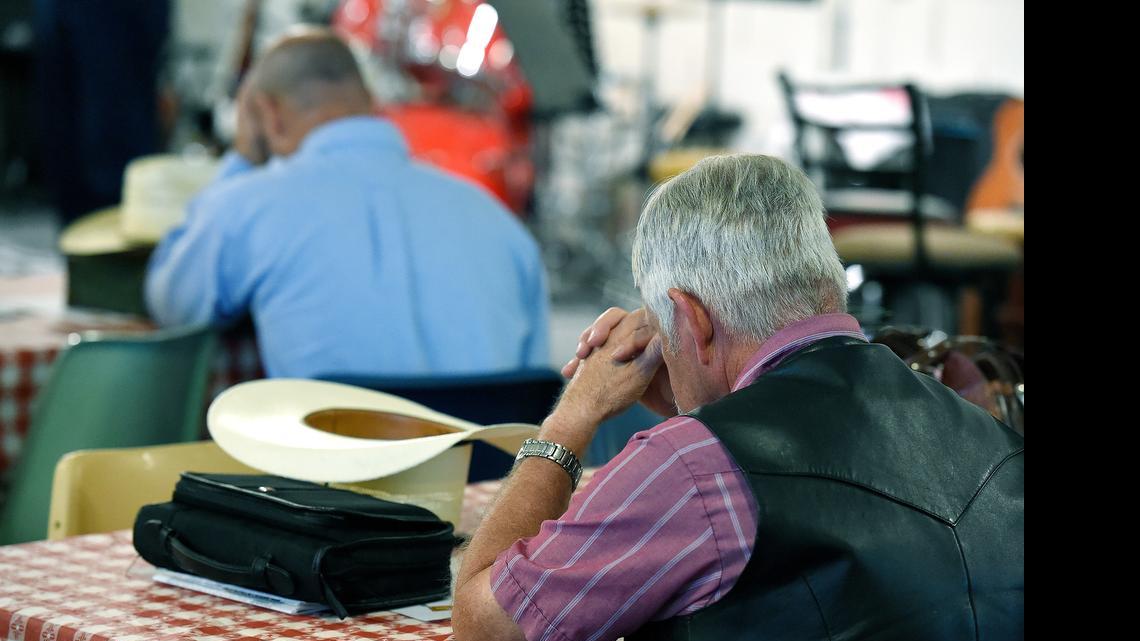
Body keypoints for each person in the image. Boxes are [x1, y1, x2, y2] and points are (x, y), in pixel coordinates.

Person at [452, 154, 1024, 641]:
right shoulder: (992, 439)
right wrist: (699, 406)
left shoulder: (693, 468)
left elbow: (482, 625)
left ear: (690, 318)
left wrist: (572, 416)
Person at [145, 28, 549, 378]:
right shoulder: (499, 222)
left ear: (267, 114)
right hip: (490, 466)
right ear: (372, 102)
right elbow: (536, 407)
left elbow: (173, 305)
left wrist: (243, 161)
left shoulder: (247, 204)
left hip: (337, 463)